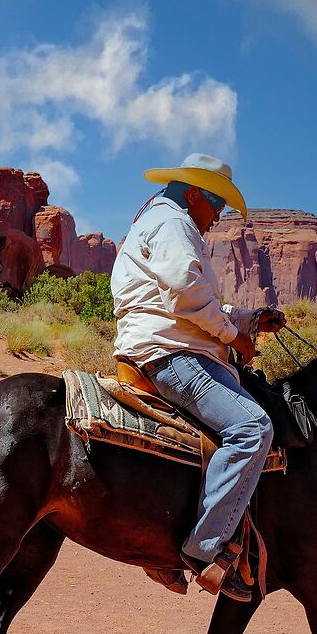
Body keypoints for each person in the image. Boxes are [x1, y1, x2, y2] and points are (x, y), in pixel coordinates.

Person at [110, 154, 287, 601]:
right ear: (194, 195)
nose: (219, 218)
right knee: (252, 427)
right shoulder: (174, 224)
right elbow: (189, 298)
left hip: (167, 344)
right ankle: (205, 550)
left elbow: (192, 299)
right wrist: (236, 338)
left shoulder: (159, 222)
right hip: (171, 355)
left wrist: (249, 319)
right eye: (218, 206)